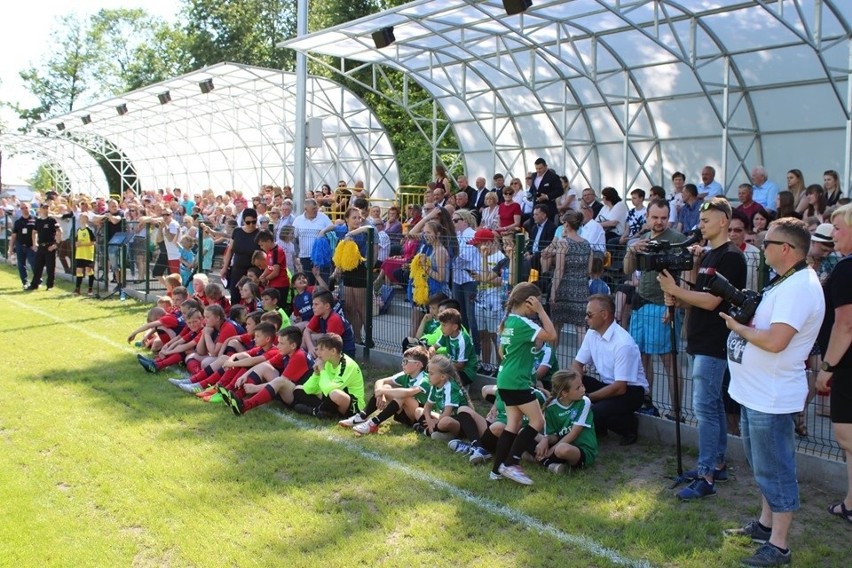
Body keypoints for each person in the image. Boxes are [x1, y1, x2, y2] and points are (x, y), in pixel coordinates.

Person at [721, 217, 824, 567]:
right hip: (757, 392)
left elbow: (777, 341)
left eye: (767, 243)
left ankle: (779, 546)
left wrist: (737, 327)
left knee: (776, 469)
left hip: (772, 395)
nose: (761, 247)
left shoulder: (800, 287)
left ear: (786, 249)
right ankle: (766, 526)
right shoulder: (787, 281)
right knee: (763, 465)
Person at [658, 198, 747, 500]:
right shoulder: (710, 256)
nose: (701, 225)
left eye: (707, 220)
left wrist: (676, 291)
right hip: (701, 340)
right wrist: (677, 297)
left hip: (714, 343)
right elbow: (698, 296)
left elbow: (712, 302)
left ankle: (706, 474)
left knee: (706, 409)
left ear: (723, 221)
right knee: (713, 407)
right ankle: (716, 464)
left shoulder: (731, 257)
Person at [490, 283, 558, 486]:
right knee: (537, 422)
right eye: (536, 302)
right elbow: (552, 336)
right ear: (529, 302)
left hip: (505, 379)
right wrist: (541, 311)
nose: (537, 307)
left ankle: (496, 470)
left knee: (513, 424)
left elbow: (502, 351)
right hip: (517, 381)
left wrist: (520, 357)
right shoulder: (523, 323)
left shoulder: (509, 321)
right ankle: (511, 463)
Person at [623, 200, 685, 417]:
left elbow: (684, 278)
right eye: (655, 217)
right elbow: (627, 270)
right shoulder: (644, 240)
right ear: (647, 217)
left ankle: (677, 410)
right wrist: (632, 250)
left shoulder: (677, 240)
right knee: (642, 358)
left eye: (663, 218)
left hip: (663, 308)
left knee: (669, 361)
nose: (659, 222)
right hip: (641, 305)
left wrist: (673, 308)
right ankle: (646, 402)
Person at [815, 204, 852, 527]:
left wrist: (827, 365)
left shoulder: (846, 269)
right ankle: (851, 503)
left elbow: (845, 325)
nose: (832, 234)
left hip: (846, 365)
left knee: (845, 434)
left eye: (838, 228)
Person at [572, 294, 648, 446]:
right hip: (609, 385)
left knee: (593, 411)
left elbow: (620, 388)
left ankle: (629, 426)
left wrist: (586, 397)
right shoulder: (592, 333)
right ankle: (600, 427)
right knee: (569, 384)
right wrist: (576, 385)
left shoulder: (623, 343)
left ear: (604, 315)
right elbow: (577, 364)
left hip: (631, 391)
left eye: (589, 314)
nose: (586, 318)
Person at [340, 346, 431, 434]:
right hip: (406, 414)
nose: (402, 364)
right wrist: (381, 394)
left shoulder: (424, 379)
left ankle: (373, 423)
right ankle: (362, 416)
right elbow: (381, 381)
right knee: (386, 387)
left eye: (406, 361)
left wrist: (382, 391)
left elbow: (408, 392)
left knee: (403, 396)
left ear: (418, 364)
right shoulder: (405, 374)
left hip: (420, 416)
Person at [530, 370, 598, 474]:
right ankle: (551, 464)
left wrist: (550, 451)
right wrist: (546, 440)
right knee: (526, 432)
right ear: (565, 393)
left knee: (562, 449)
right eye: (578, 388)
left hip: (581, 450)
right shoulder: (551, 407)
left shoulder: (584, 401)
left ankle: (543, 461)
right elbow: (554, 436)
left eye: (582, 385)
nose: (583, 389)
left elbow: (574, 433)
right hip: (559, 443)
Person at [292, 199, 332, 282]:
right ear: (306, 209)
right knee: (308, 283)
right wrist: (296, 256)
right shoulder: (298, 220)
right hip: (305, 257)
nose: (316, 210)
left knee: (323, 283)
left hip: (321, 258)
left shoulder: (323, 217)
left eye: (316, 208)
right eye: (313, 209)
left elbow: (332, 228)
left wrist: (323, 231)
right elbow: (293, 238)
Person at [27, 203, 61, 291]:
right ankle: (34, 285)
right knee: (38, 267)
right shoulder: (38, 221)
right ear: (40, 209)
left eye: (47, 208)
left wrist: (56, 244)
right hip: (41, 246)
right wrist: (34, 244)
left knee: (50, 267)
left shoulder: (52, 220)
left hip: (50, 246)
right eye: (44, 208)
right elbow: (34, 232)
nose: (45, 209)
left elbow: (59, 231)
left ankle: (50, 286)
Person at [8, 203, 37, 289]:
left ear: (29, 208)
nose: (24, 209)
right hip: (20, 246)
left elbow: (38, 233)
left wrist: (35, 244)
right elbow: (13, 236)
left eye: (26, 207)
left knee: (34, 264)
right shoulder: (18, 222)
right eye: (22, 208)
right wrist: (11, 248)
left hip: (31, 246)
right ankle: (25, 282)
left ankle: (37, 280)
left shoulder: (35, 220)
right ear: (20, 210)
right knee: (21, 265)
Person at [529, 157, 563, 222]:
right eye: (536, 168)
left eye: (540, 168)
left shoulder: (553, 176)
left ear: (546, 166)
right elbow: (533, 189)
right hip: (535, 207)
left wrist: (547, 196)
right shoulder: (534, 175)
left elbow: (560, 190)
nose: (538, 170)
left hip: (548, 208)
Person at [73, 213, 96, 296]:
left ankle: (90, 289)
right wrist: (77, 244)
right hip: (79, 254)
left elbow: (93, 242)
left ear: (86, 219)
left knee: (89, 270)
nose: (80, 219)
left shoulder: (89, 230)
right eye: (80, 218)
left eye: (81, 218)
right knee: (79, 271)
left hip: (88, 254)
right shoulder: (78, 230)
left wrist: (82, 244)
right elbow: (76, 242)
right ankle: (77, 289)